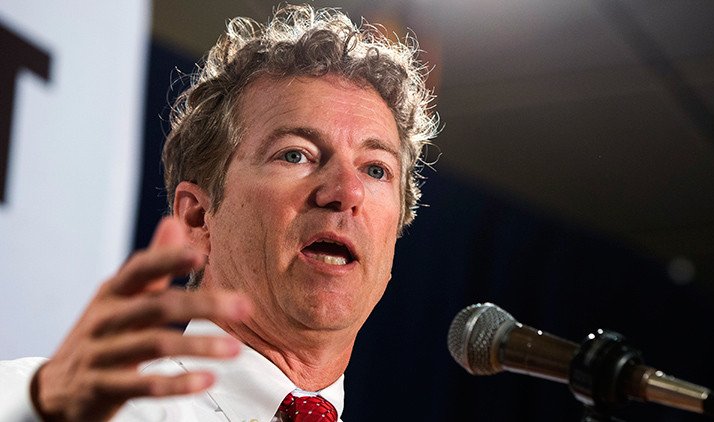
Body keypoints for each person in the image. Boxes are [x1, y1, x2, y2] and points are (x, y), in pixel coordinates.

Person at [0, 4, 438, 421]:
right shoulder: (59, 405)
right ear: (197, 219)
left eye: (376, 169)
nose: (346, 191)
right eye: (295, 155)